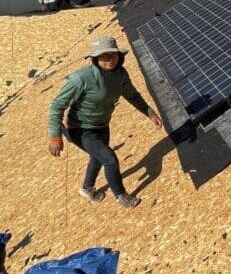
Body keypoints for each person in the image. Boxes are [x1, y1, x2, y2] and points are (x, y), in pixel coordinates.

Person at [47, 36, 163, 209]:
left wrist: (149, 112)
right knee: (109, 159)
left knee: (98, 156)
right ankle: (121, 195)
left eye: (113, 54)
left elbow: (132, 95)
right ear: (95, 58)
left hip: (102, 125)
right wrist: (55, 136)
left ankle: (87, 188)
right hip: (80, 129)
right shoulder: (80, 79)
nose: (110, 59)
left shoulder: (120, 74)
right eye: (104, 56)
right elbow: (57, 107)